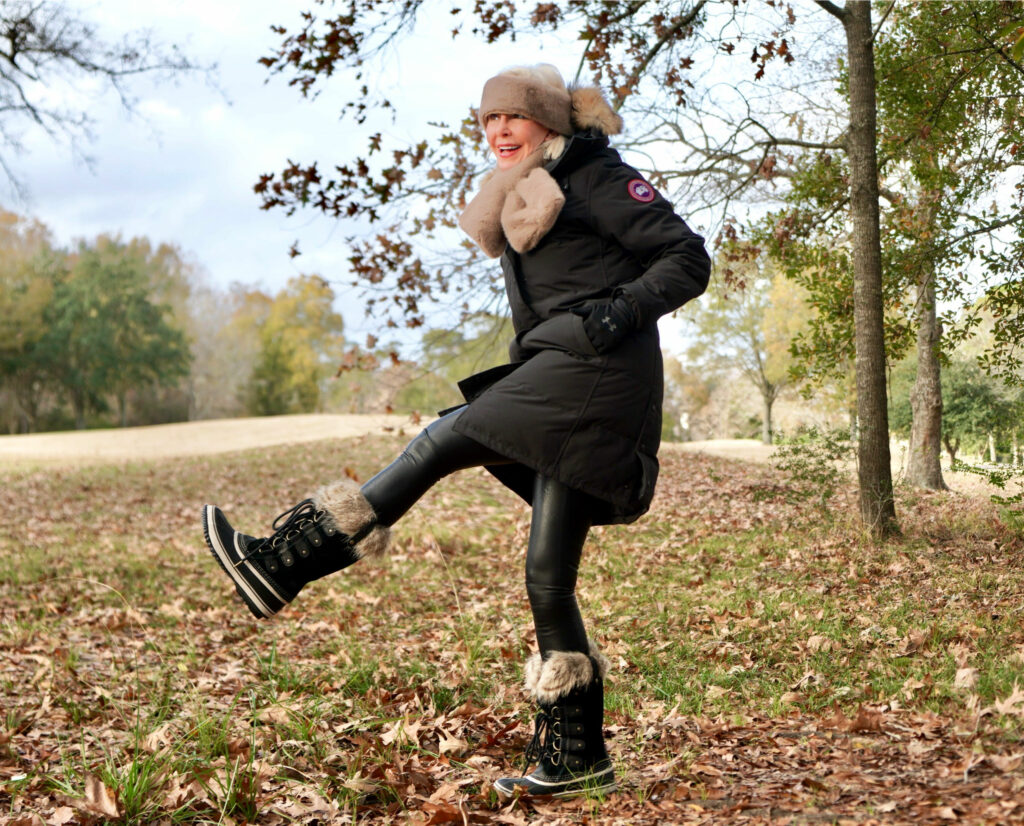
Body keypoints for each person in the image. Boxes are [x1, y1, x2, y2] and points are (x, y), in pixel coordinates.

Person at [202, 63, 710, 799]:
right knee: (545, 576)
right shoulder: (518, 194)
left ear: (550, 122)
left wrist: (621, 310)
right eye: (487, 121)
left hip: (597, 372)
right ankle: (579, 761)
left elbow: (688, 257)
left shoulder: (600, 177)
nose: (498, 131)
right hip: (557, 373)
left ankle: (282, 564)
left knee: (445, 437)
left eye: (514, 118)